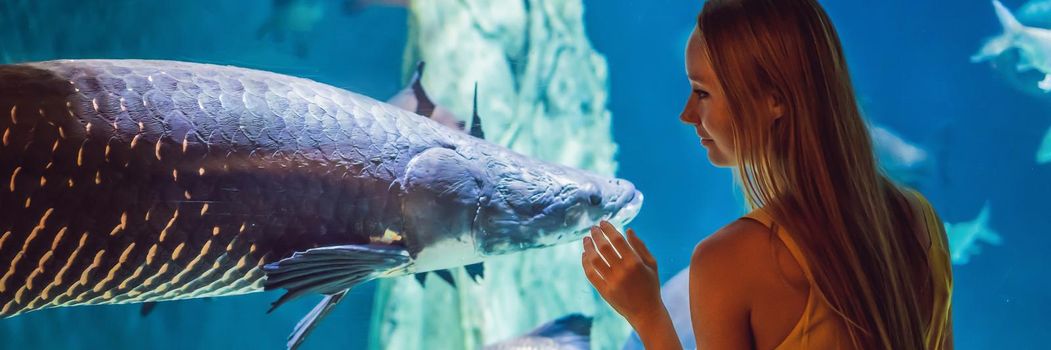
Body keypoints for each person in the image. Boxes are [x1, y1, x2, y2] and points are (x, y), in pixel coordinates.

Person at [580, 0, 954, 349]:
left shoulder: (727, 261)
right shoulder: (920, 218)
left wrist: (648, 315)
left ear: (775, 100)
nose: (688, 114)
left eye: (702, 93)